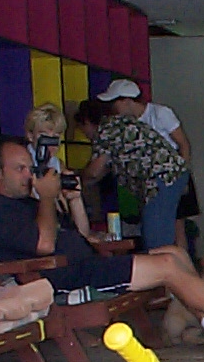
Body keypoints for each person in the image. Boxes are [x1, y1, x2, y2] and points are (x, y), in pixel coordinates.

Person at [0, 137, 204, 358]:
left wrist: (74, 201)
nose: (29, 175)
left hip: (87, 264)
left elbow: (81, 235)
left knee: (174, 253)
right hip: (62, 278)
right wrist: (48, 199)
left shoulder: (29, 202)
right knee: (166, 266)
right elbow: (44, 244)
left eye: (29, 168)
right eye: (19, 169)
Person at [96, 79, 200, 253]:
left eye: (114, 103)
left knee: (176, 228)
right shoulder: (128, 122)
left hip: (169, 175)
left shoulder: (160, 113)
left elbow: (183, 144)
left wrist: (185, 174)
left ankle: (178, 264)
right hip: (150, 182)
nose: (112, 109)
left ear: (126, 101)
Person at [73, 99, 187, 251]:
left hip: (158, 180)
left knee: (156, 242)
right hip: (171, 174)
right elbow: (105, 168)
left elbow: (94, 172)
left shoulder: (105, 131)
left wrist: (76, 179)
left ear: (87, 122)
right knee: (163, 234)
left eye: (82, 130)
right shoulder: (120, 123)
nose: (85, 135)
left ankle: (165, 265)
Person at [23, 103, 93, 239]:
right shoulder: (23, 164)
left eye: (55, 136)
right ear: (30, 136)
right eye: (44, 135)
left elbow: (83, 233)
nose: (50, 142)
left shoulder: (58, 165)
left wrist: (76, 199)